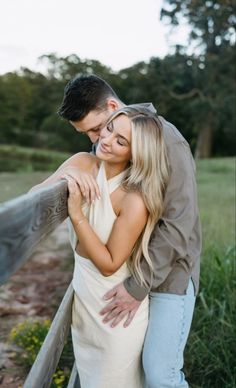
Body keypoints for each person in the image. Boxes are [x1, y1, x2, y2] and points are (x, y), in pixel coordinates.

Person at [33, 74, 201, 387]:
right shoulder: (103, 151)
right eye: (90, 134)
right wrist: (70, 171)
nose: (97, 140)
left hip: (167, 275)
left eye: (97, 128)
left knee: (159, 373)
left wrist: (137, 287)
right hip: (125, 271)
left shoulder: (167, 140)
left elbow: (179, 225)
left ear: (112, 106)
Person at [66, 106, 170, 387]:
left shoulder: (134, 199)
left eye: (121, 141)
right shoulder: (86, 165)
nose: (107, 140)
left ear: (135, 154)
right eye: (110, 128)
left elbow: (110, 262)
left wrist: (76, 214)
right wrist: (69, 177)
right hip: (86, 309)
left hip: (113, 313)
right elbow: (34, 195)